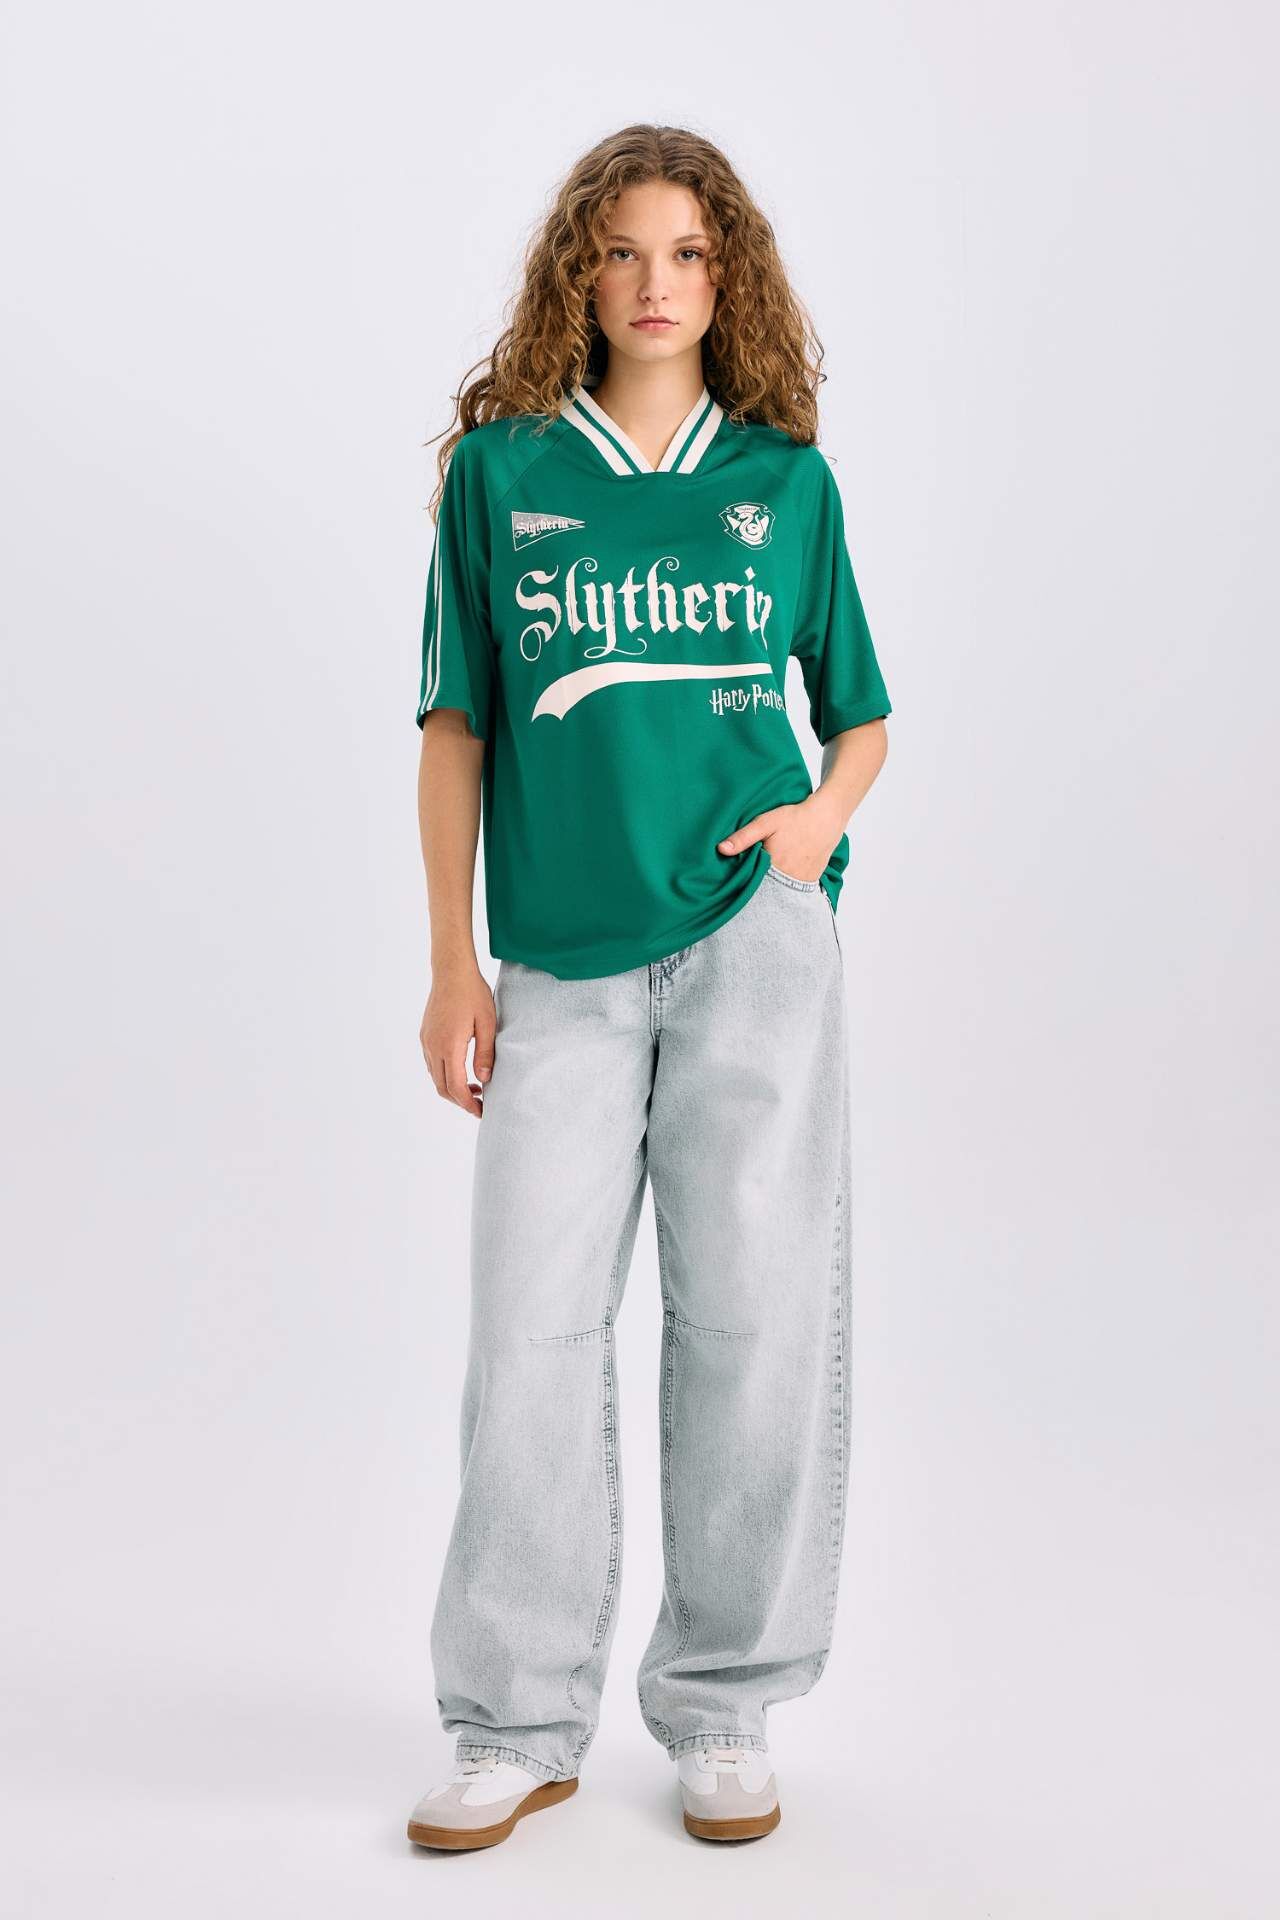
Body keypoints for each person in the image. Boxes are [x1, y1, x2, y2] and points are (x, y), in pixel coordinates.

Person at [406, 123, 892, 1851]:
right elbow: (455, 727)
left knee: (753, 1323)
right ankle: (513, 1720)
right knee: (527, 1331)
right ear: (579, 274)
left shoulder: (785, 484)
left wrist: (813, 828)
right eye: (622, 251)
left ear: (725, 273)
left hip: (758, 948)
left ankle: (725, 1705)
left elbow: (860, 714)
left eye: (688, 252)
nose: (655, 282)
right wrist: (450, 960)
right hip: (559, 967)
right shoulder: (499, 476)